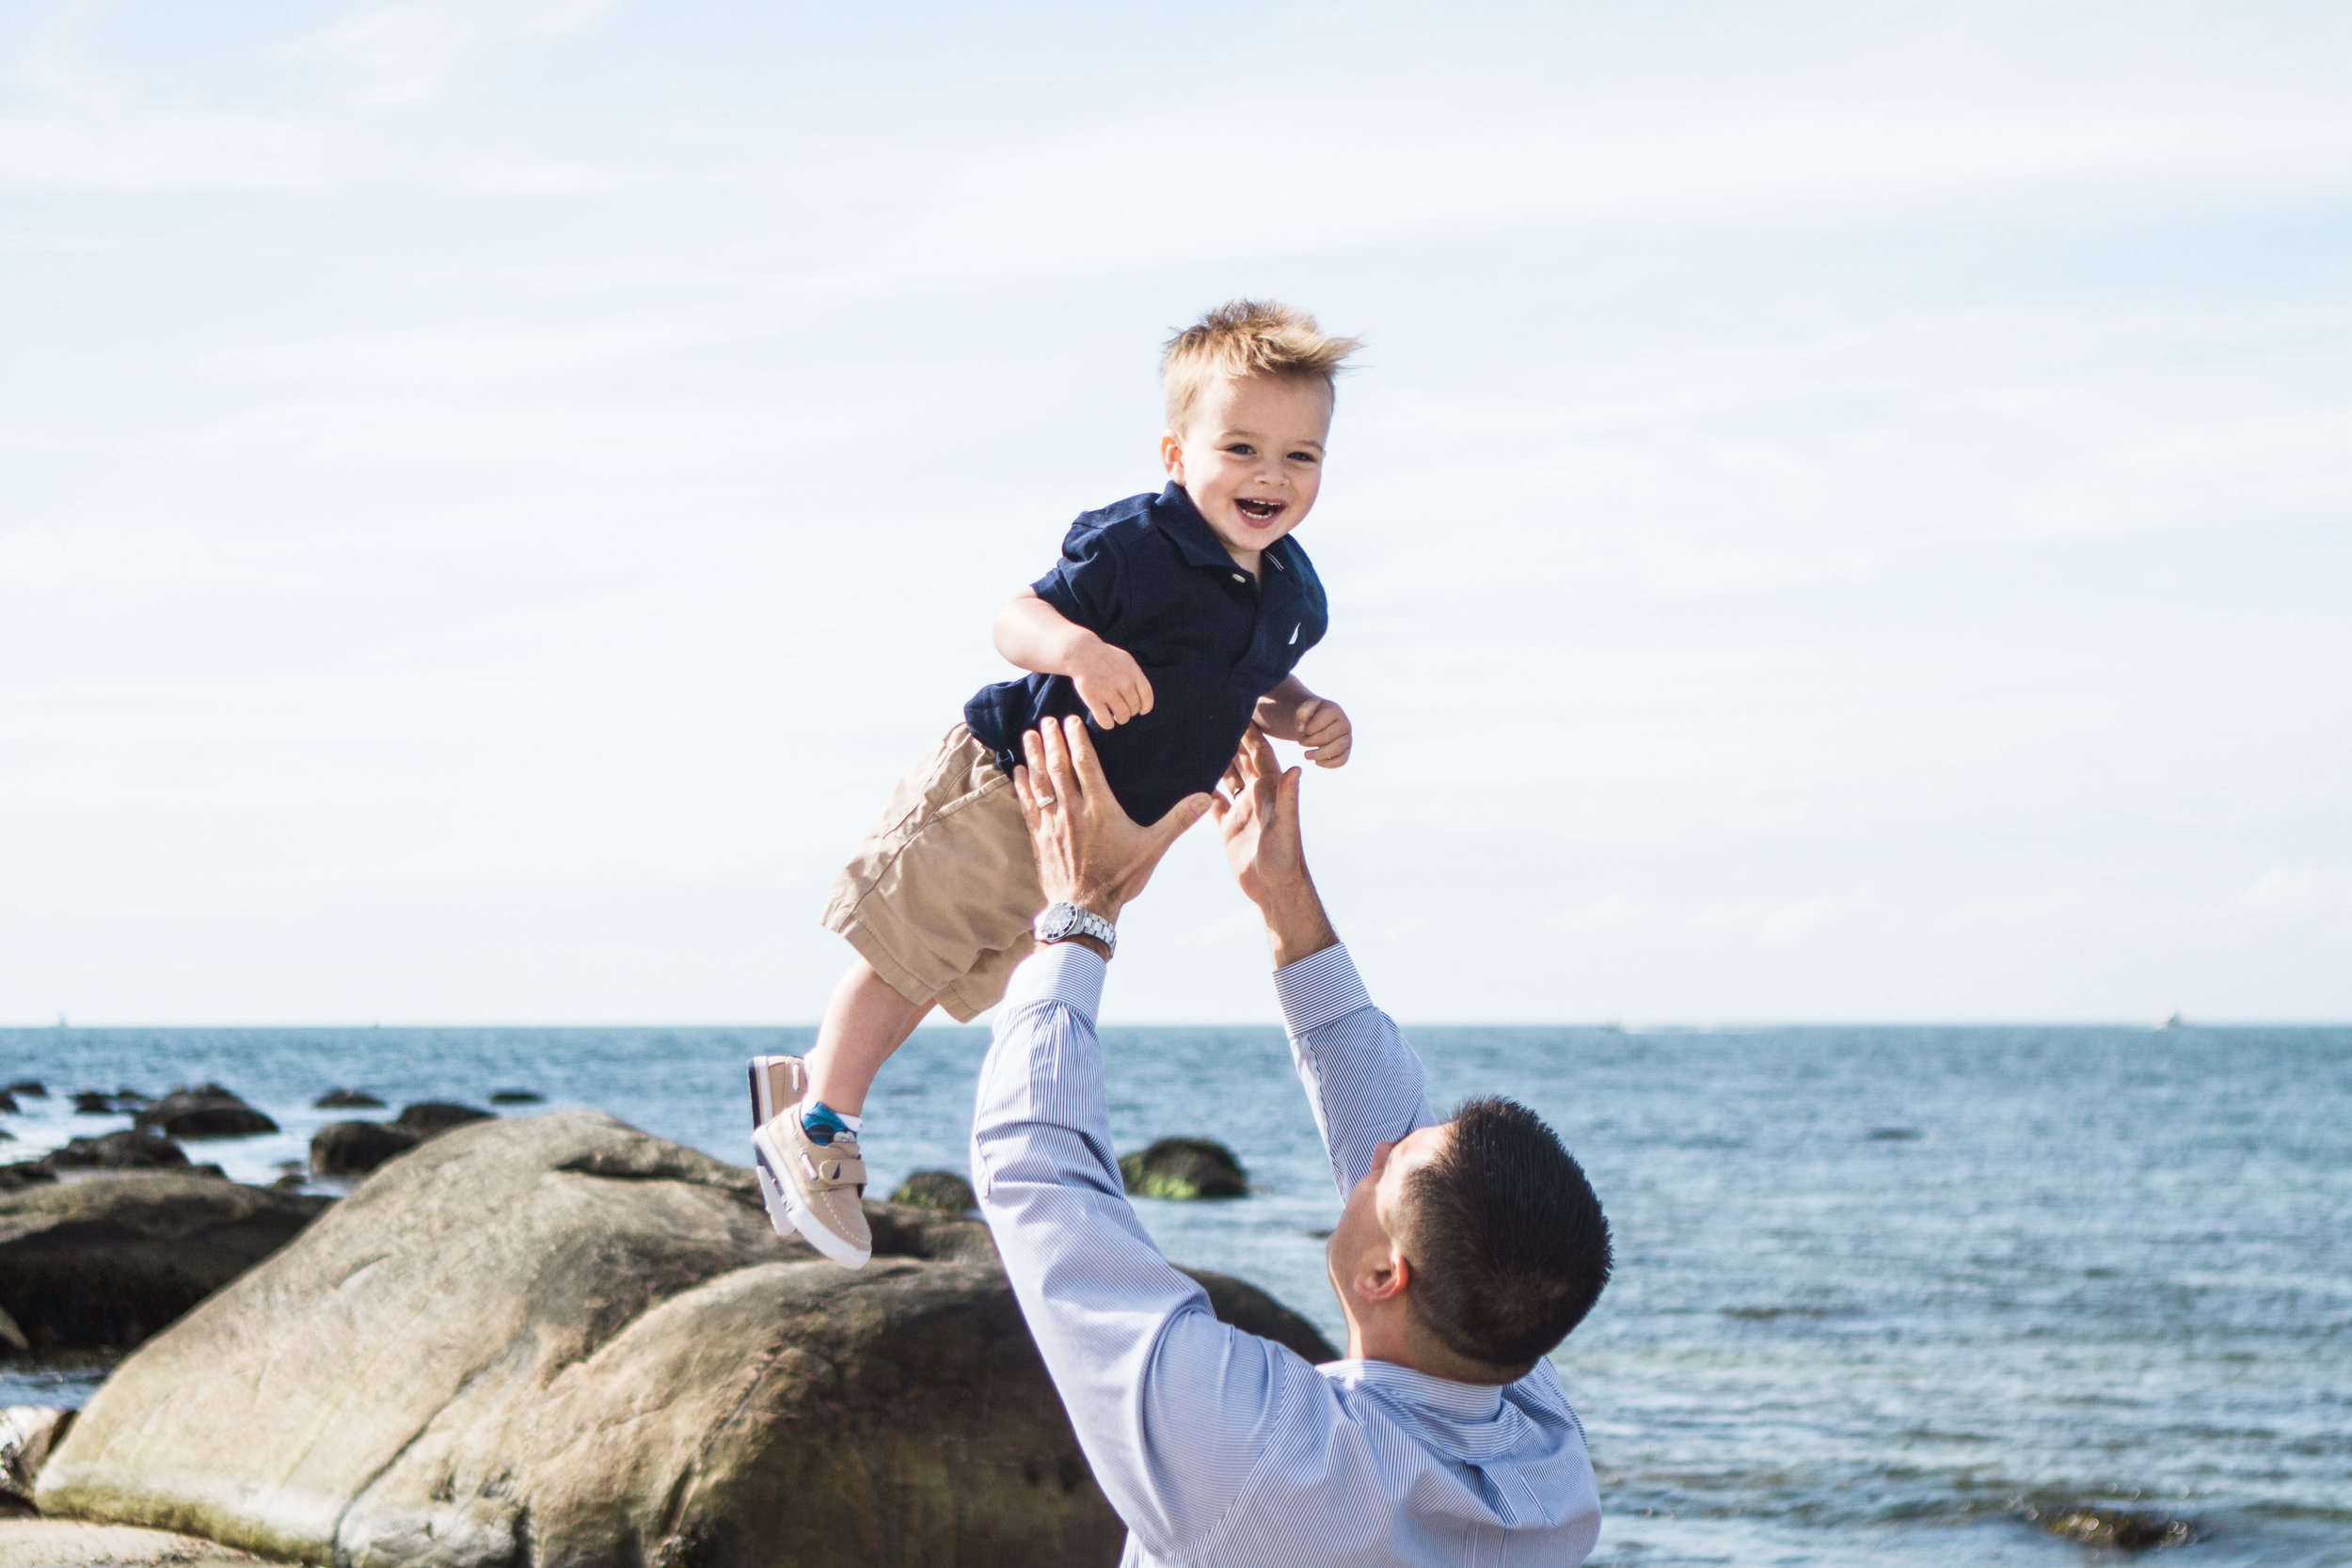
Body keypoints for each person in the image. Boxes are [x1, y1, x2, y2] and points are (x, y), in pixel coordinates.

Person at [750, 300, 1362, 1267]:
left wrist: (1303, 712)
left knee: (953, 972)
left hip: (1095, 834)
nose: (1270, 477)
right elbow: (1017, 615)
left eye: (1301, 456)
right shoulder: (1138, 543)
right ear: (1175, 451)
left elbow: (1251, 683)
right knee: (909, 948)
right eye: (1241, 446)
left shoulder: (1292, 591)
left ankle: (808, 1085)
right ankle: (819, 1124)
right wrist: (1079, 650)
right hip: (1009, 779)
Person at [972, 715, 1613, 1566]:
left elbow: (1037, 1170)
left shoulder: (1258, 1457)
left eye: (1391, 1168)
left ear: (1385, 1275)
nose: (1380, 1148)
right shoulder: (1550, 1475)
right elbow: (1397, 1144)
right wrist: (1285, 901)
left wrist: (1080, 911)